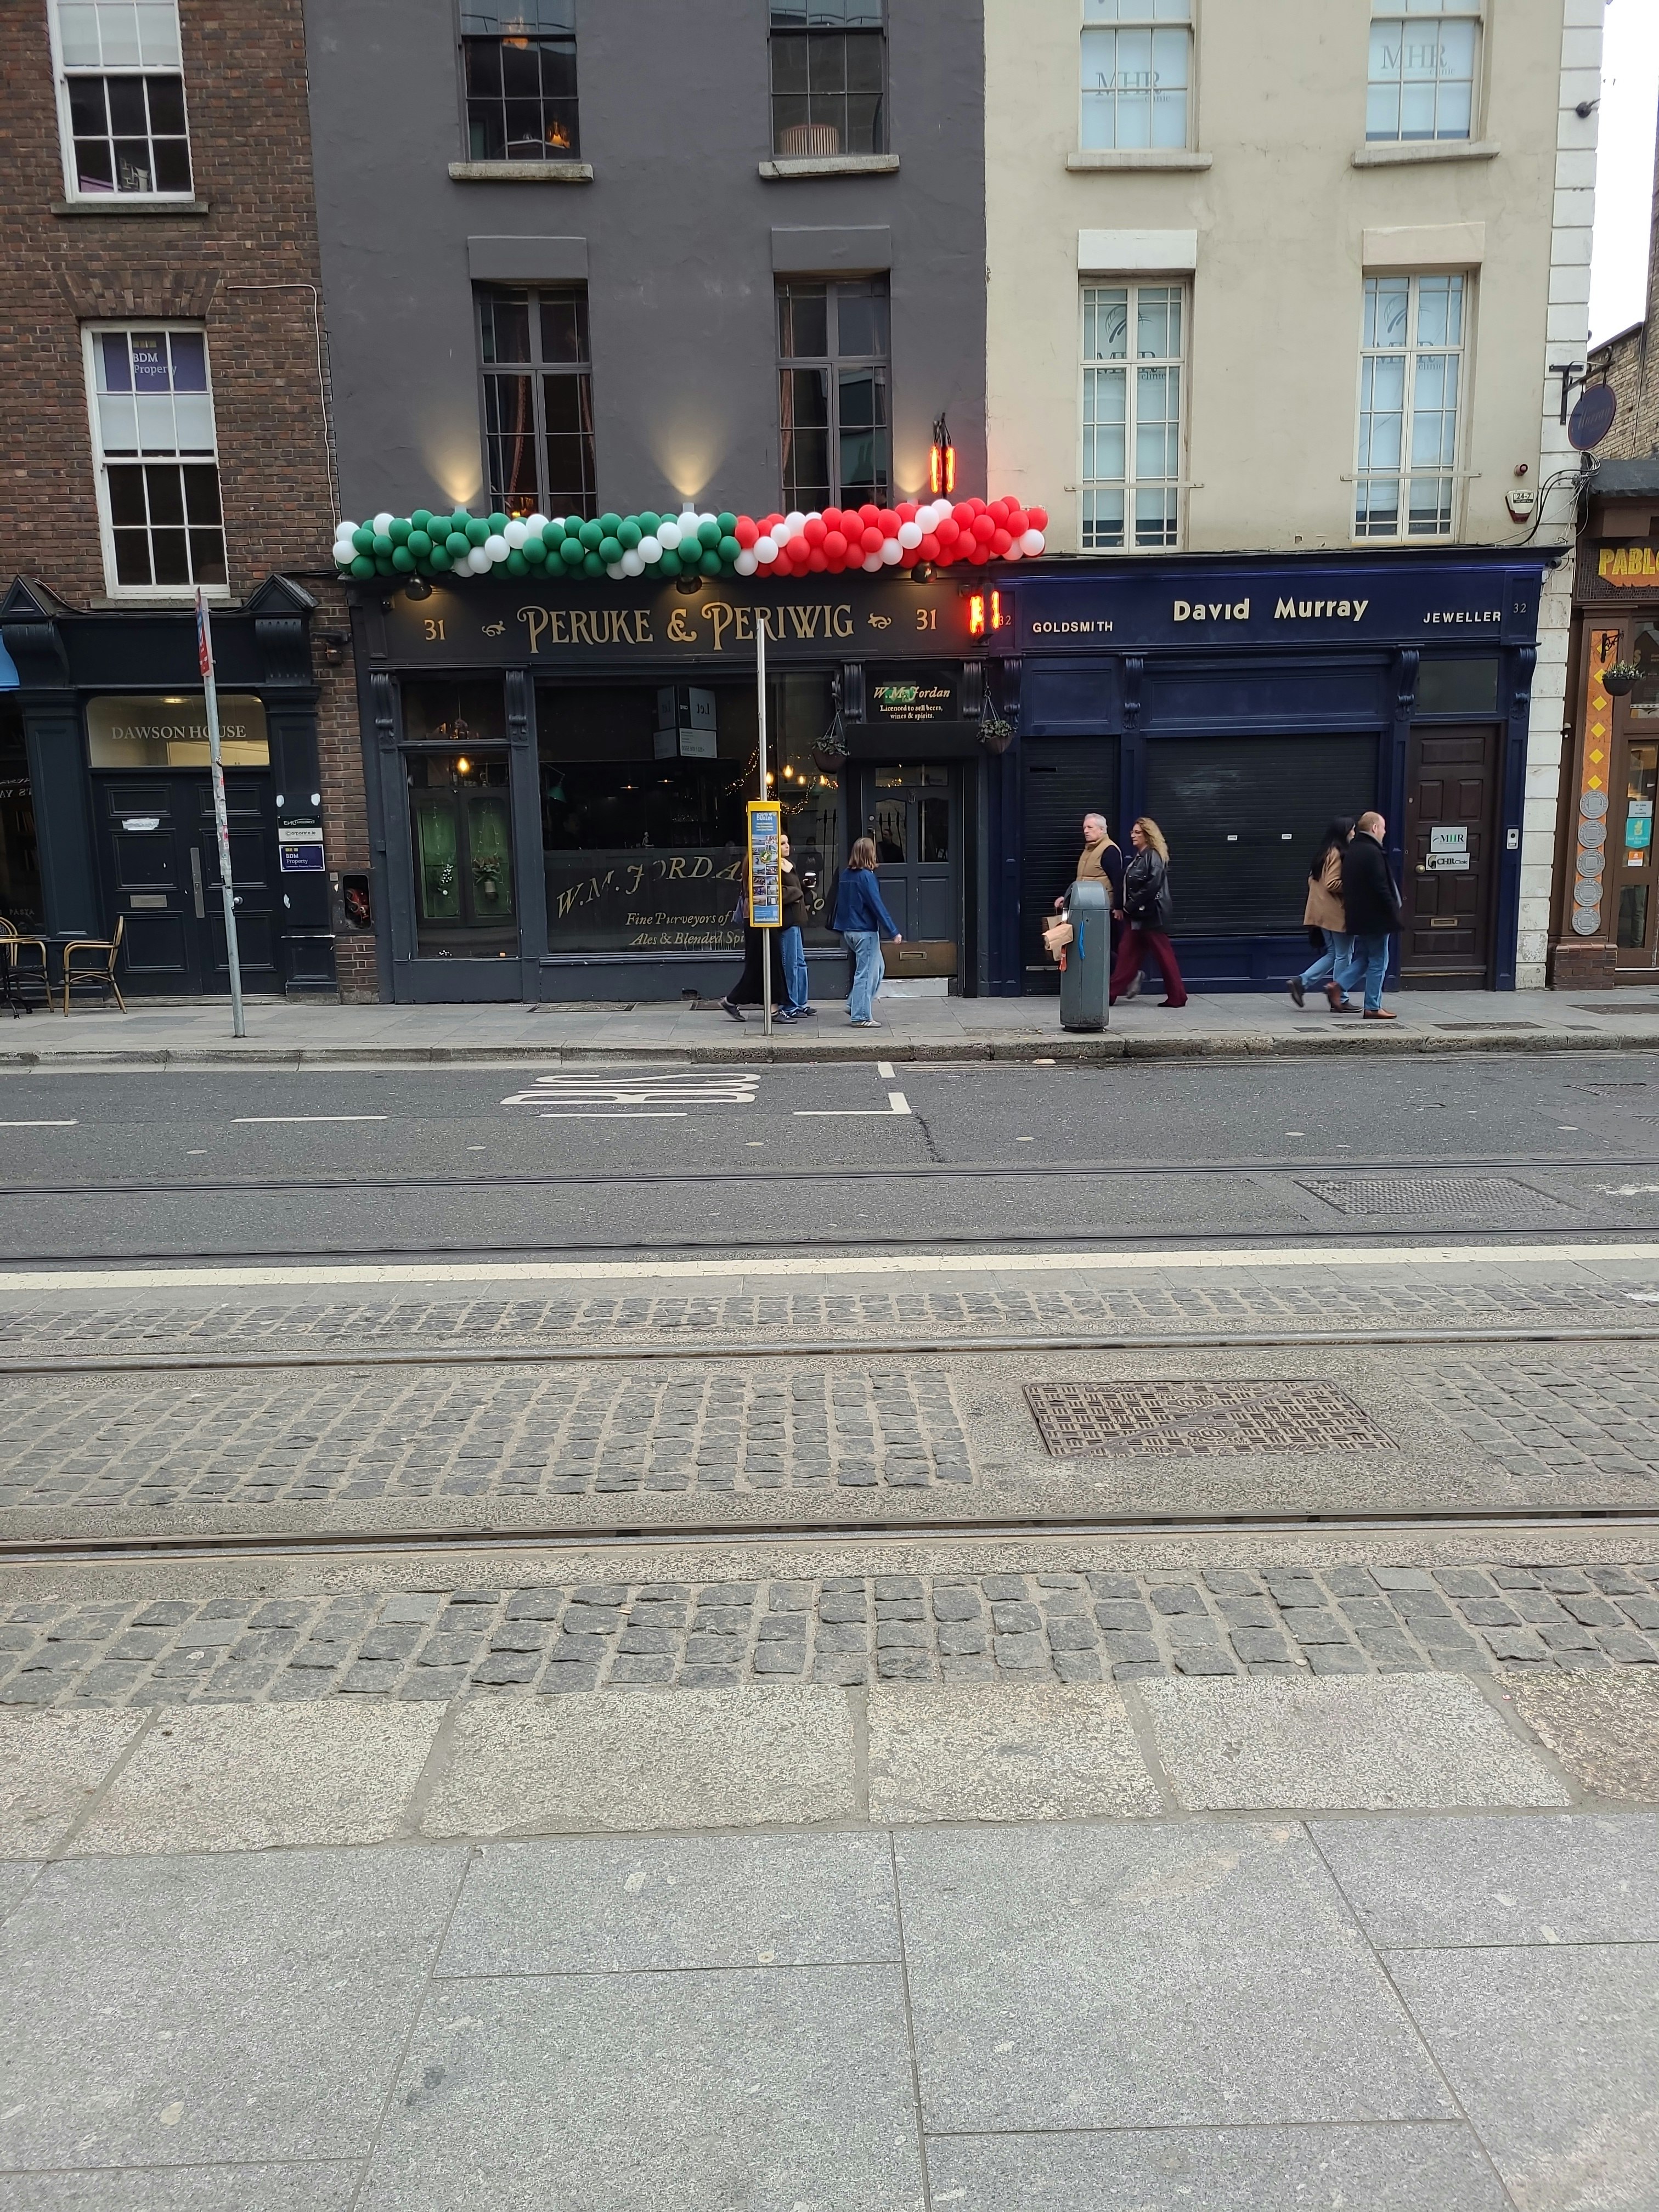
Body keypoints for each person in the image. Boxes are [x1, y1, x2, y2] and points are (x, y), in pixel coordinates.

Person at [1109, 817, 1187, 1008]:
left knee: (1163, 956)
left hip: (1151, 915)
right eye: (1132, 832)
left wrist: (1130, 906)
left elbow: (1152, 885)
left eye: (1138, 833)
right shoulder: (1141, 857)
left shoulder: (1153, 856)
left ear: (1147, 835)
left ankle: (1178, 996)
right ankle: (1109, 994)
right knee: (1127, 954)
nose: (1133, 836)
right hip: (1138, 915)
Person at [1337, 809, 1402, 1020]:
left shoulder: (1353, 850)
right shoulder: (1372, 852)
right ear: (1374, 828)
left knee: (1367, 957)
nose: (1385, 832)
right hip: (1376, 917)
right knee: (1379, 962)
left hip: (1360, 915)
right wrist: (1393, 913)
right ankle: (1373, 1006)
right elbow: (1381, 886)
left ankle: (1339, 985)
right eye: (1383, 828)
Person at [832, 834, 902, 1026]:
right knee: (866, 973)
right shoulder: (867, 877)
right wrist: (893, 931)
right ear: (871, 854)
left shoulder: (846, 874)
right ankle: (861, 1016)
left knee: (878, 968)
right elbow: (877, 905)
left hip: (849, 930)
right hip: (865, 931)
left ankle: (854, 1003)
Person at [1289, 816, 1355, 1012]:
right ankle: (1340, 998)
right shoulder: (1337, 853)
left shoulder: (1324, 852)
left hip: (1322, 912)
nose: (1354, 834)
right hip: (1336, 913)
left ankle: (1301, 982)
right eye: (1352, 830)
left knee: (1334, 953)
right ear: (1343, 832)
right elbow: (1332, 883)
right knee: (1344, 955)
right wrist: (1356, 885)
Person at [1054, 811, 1124, 916]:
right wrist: (1068, 899)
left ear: (1101, 830)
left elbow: (1118, 881)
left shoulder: (1109, 850)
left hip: (1101, 909)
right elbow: (1082, 881)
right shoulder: (1088, 850)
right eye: (1084, 828)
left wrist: (1118, 907)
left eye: (1090, 827)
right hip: (1086, 907)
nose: (1086, 831)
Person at [777, 831, 814, 1019]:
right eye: (782, 843)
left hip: (797, 919)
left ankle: (801, 1003)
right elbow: (778, 892)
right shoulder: (774, 867)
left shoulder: (789, 864)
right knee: (790, 965)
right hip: (787, 920)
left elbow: (796, 888)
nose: (787, 846)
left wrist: (804, 886)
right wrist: (797, 891)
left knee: (800, 963)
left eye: (787, 843)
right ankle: (789, 1005)